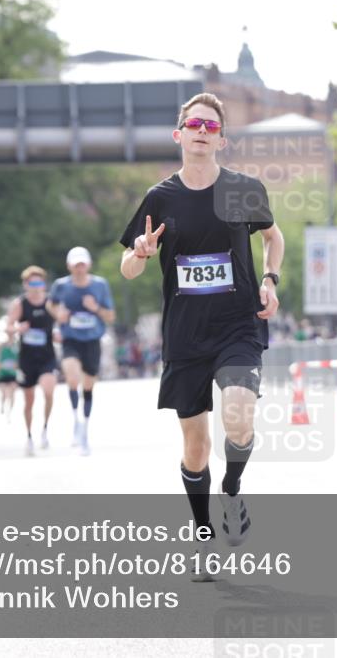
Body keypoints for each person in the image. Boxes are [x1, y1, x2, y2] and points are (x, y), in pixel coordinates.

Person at [119, 92, 284, 580]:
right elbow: (127, 269)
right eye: (193, 124)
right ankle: (205, 535)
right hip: (186, 334)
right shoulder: (160, 198)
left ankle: (231, 489)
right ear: (179, 134)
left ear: (221, 140)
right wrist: (142, 253)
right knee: (194, 447)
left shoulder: (243, 190)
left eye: (210, 127)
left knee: (238, 415)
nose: (201, 131)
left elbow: (272, 237)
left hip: (238, 323)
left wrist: (271, 280)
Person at [47, 247, 115, 455]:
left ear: (88, 265)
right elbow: (51, 305)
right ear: (69, 266)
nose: (79, 269)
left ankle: (85, 425)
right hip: (70, 340)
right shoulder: (61, 286)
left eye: (82, 264)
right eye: (76, 265)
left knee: (88, 384)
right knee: (72, 376)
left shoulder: (100, 285)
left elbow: (110, 316)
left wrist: (95, 308)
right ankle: (75, 418)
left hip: (92, 340)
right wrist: (59, 314)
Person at [6, 266, 59, 455]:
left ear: (44, 284)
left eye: (39, 283)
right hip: (27, 358)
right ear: (25, 285)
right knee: (29, 400)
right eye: (32, 283)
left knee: (48, 390)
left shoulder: (50, 302)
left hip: (47, 356)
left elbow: (61, 320)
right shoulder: (20, 304)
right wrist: (18, 328)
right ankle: (29, 436)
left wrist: (59, 332)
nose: (36, 287)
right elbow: (8, 328)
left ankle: (45, 428)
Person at [0, 334, 18, 420]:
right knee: (3, 393)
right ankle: (2, 406)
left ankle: (11, 411)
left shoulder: (16, 350)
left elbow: (18, 363)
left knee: (12, 393)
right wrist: (2, 366)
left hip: (12, 374)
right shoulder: (2, 351)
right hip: (3, 374)